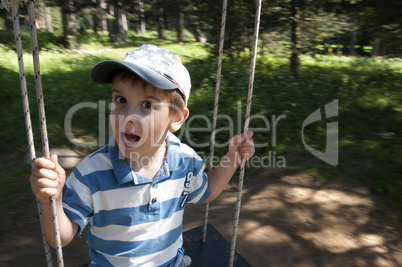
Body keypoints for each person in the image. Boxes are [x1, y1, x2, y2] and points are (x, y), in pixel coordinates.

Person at [30, 44, 255, 267]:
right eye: (121, 100)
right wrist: (52, 200)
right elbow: (61, 237)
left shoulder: (185, 161)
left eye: (147, 104)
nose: (128, 116)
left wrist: (232, 158)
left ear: (176, 118)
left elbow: (207, 192)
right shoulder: (91, 173)